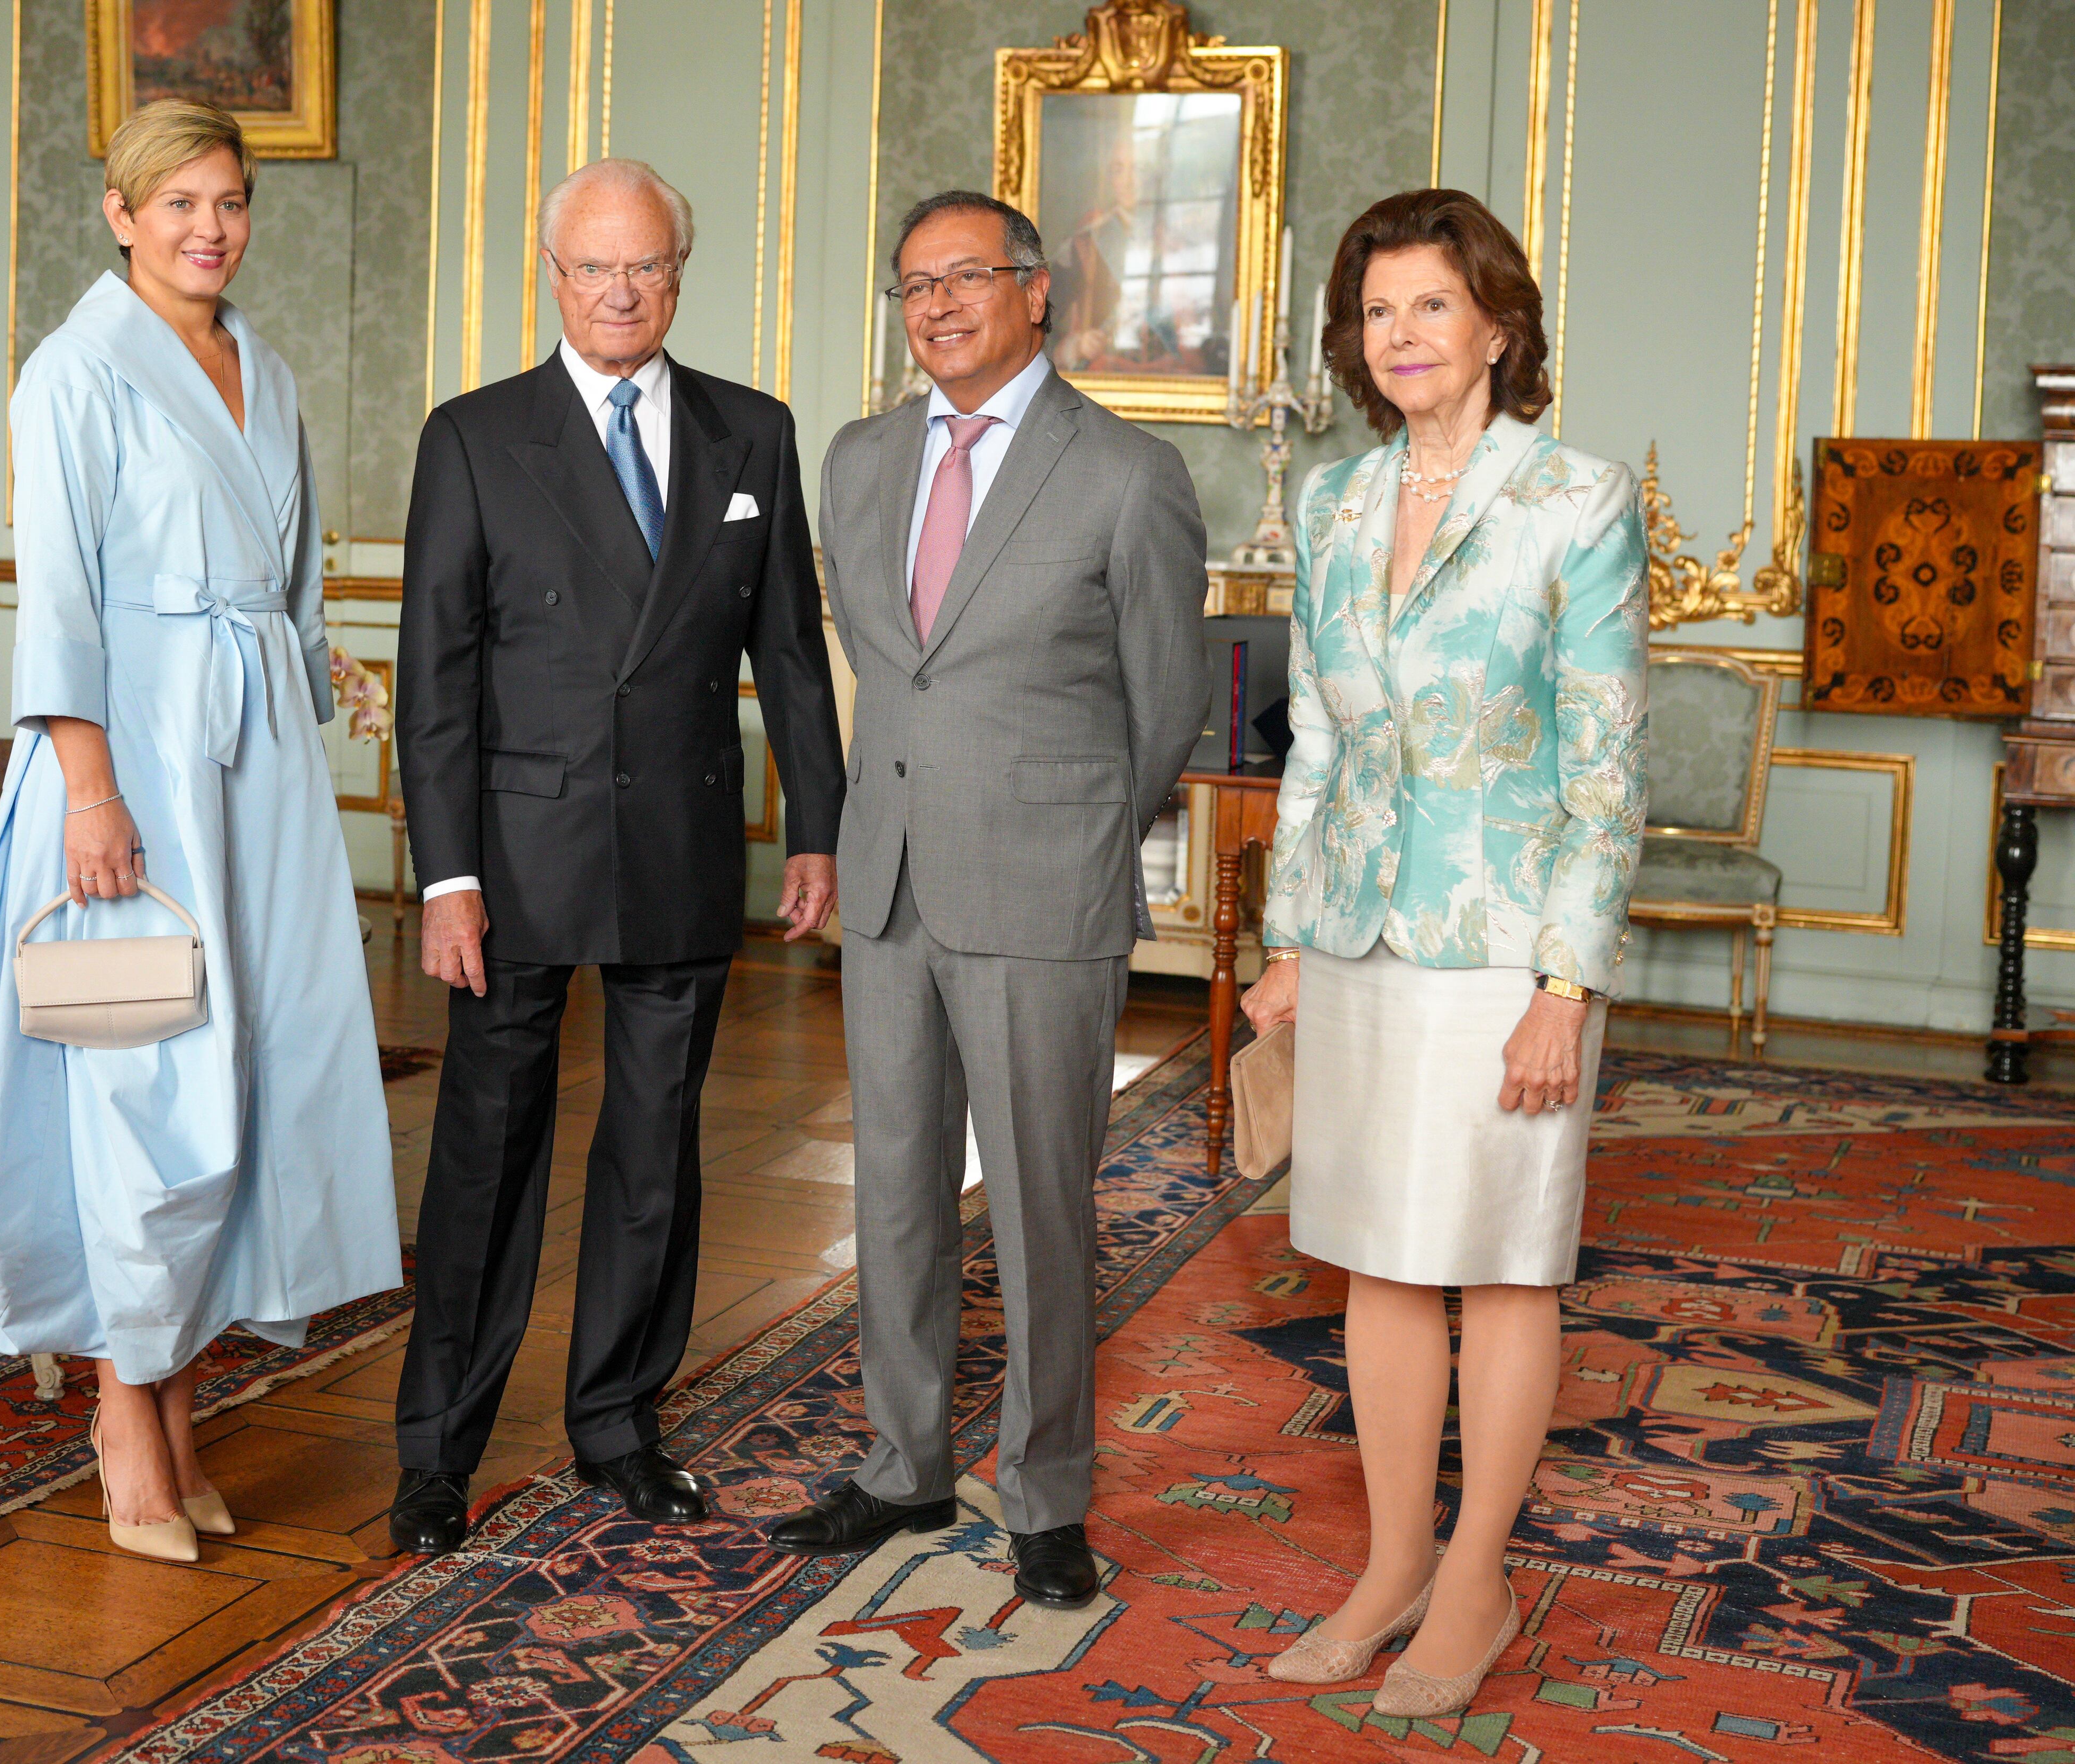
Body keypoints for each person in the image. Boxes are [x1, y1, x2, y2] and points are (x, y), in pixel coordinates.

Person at [0, 100, 401, 1565]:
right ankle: (121, 1415)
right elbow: (62, 600)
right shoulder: (73, 372)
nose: (212, 226)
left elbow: (298, 575)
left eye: (233, 201)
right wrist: (90, 792)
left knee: (247, 1078)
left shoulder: (262, 366)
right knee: (140, 1085)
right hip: (127, 772)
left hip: (254, 770)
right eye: (182, 201)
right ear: (121, 213)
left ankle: (178, 1399)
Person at [389, 158, 846, 1555]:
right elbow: (436, 677)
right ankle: (436, 1454)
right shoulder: (474, 436)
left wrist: (818, 822)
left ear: (679, 273)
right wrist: (446, 875)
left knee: (655, 1155)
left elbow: (789, 652)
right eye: (594, 266)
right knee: (488, 1158)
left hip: (679, 840)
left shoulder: (750, 433)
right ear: (552, 272)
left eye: (644, 266)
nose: (619, 290)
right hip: (515, 860)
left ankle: (618, 1425)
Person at [1239, 187, 1648, 1716]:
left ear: (1498, 326)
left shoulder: (1579, 503)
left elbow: (1606, 765)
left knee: (1500, 1267)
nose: (1400, 335)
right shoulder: (1337, 506)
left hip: (1506, 949)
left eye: (1430, 305)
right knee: (1379, 1263)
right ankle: (1392, 1563)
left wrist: (1567, 983)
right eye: (1376, 312)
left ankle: (1477, 1578)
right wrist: (1290, 943)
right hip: (1360, 938)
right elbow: (1323, 741)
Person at [770, 190, 1208, 1608]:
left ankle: (1046, 1492)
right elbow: (889, 667)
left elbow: (1164, 711)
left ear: (1036, 293)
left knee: (1036, 1206)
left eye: (968, 278)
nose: (939, 305)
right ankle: (902, 1466)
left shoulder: (1126, 474)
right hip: (890, 875)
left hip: (1041, 888)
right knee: (894, 1195)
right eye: (914, 286)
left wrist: (1070, 834)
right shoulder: (859, 458)